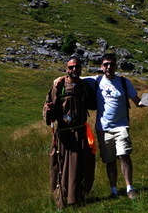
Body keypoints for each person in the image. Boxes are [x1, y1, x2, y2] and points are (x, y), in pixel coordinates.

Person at [43, 57, 96, 209]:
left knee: (83, 165)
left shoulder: (84, 85)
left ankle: (78, 197)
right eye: (71, 67)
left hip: (81, 133)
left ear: (81, 69)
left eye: (77, 67)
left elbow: (92, 103)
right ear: (66, 69)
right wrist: (49, 111)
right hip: (64, 135)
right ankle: (62, 200)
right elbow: (48, 108)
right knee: (61, 167)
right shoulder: (58, 86)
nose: (74, 70)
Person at [90, 53, 143, 200]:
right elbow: (75, 79)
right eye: (106, 64)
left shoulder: (124, 82)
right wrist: (59, 79)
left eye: (111, 64)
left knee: (124, 155)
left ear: (116, 66)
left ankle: (129, 188)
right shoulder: (95, 81)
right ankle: (113, 190)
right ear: (101, 66)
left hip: (121, 126)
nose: (108, 67)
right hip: (103, 128)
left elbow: (137, 102)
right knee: (109, 160)